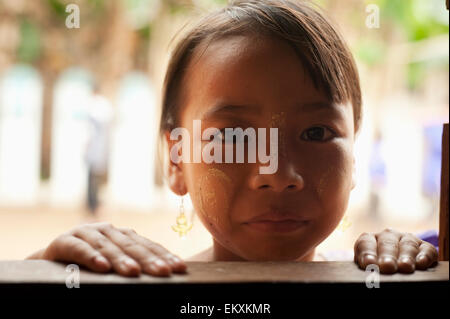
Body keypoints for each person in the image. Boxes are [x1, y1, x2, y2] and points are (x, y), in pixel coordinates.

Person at [26, 0, 438, 277]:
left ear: (354, 159)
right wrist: (41, 268)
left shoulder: (375, 276)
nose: (277, 175)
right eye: (233, 137)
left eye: (317, 132)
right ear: (176, 161)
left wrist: (416, 265)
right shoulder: (129, 280)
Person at [84, 85, 114, 217]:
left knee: (93, 178)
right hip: (98, 149)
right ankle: (92, 204)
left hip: (96, 148)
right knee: (94, 177)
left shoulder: (96, 107)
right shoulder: (102, 106)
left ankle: (93, 204)